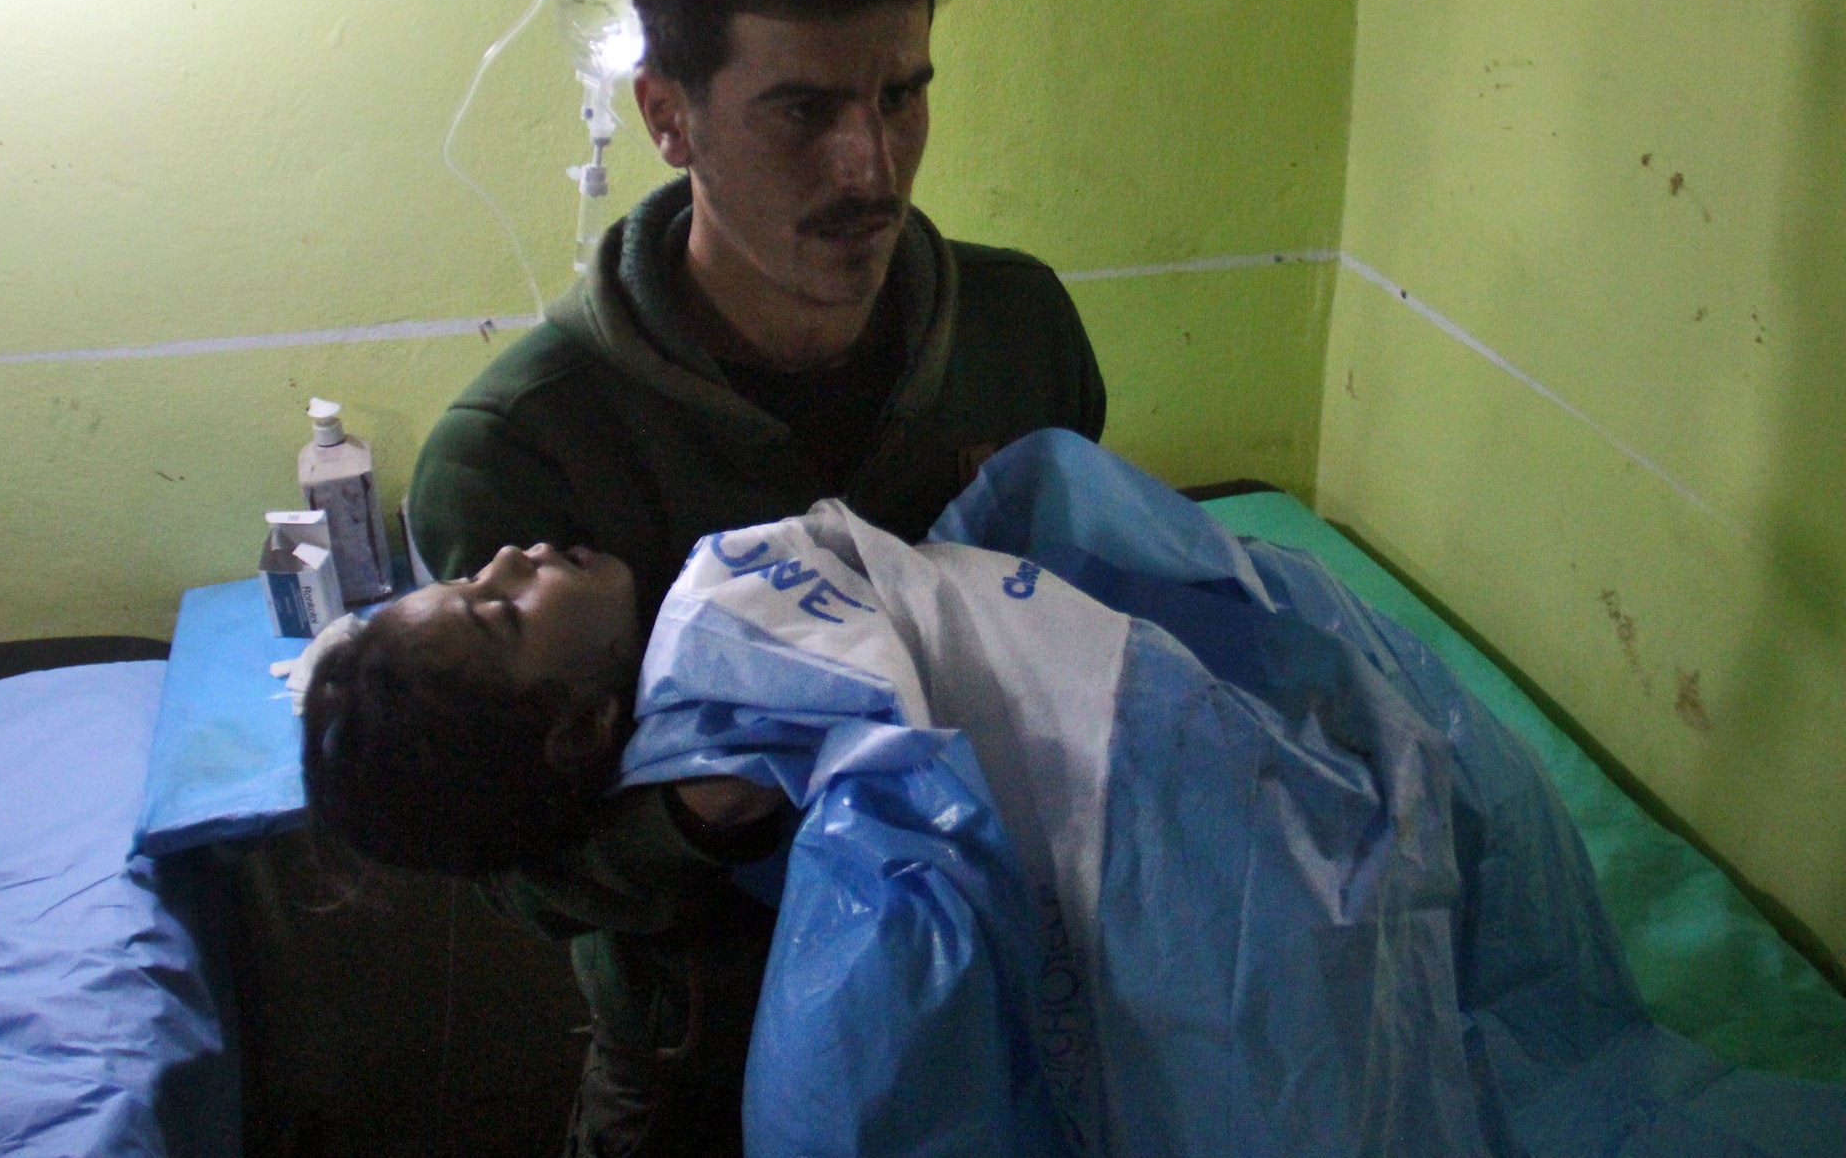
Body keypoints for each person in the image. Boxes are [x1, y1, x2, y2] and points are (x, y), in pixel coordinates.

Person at [312, 433, 1846, 1158]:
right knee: (1305, 1026)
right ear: (579, 732)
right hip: (1147, 807)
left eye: (899, 92)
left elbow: (967, 577)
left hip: (1148, 707)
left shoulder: (975, 314)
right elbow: (900, 891)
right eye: (495, 607)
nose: (507, 554)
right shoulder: (690, 680)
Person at [404, 0, 1105, 1156]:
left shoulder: (1020, 336)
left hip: (1019, 1018)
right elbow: (508, 860)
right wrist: (684, 822)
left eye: (903, 94)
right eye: (805, 110)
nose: (872, 167)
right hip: (704, 1070)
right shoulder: (522, 456)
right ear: (668, 113)